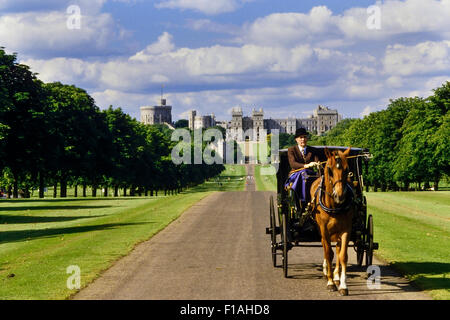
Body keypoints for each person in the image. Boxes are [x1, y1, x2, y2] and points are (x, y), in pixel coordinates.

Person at [286, 128, 320, 212]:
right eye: (300, 137)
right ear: (296, 139)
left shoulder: (313, 150)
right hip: (296, 175)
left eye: (304, 137)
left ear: (307, 138)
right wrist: (307, 165)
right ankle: (303, 203)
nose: (303, 139)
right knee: (303, 174)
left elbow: (317, 161)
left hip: (311, 175)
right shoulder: (291, 150)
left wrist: (318, 164)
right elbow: (293, 164)